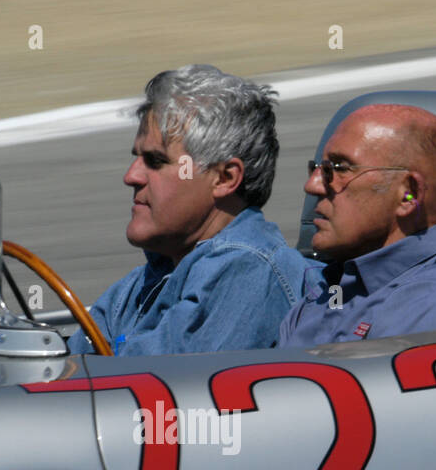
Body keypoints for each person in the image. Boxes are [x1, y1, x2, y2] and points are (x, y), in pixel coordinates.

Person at [68, 65, 312, 356]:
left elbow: (149, 387)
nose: (131, 176)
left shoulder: (247, 270)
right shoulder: (141, 282)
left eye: (156, 161)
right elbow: (68, 371)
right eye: (137, 158)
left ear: (224, 178)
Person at [278, 104, 436, 346]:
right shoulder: (332, 285)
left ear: (409, 194)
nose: (312, 185)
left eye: (339, 168)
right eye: (317, 169)